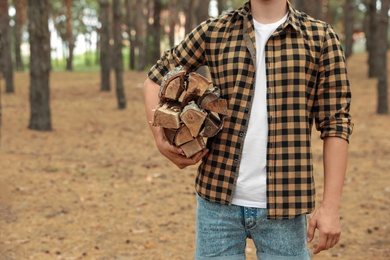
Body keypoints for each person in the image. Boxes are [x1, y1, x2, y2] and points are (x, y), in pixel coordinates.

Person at [143, 0, 353, 259]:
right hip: (217, 204)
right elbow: (156, 78)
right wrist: (159, 136)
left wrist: (330, 208)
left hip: (285, 206)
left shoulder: (320, 38)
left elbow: (336, 124)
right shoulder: (215, 31)